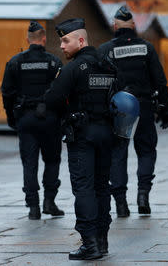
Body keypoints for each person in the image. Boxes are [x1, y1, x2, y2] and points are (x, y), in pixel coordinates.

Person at [45, 18, 115, 260]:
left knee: (84, 188)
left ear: (81, 40)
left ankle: (89, 244)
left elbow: (52, 100)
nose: (62, 46)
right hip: (107, 133)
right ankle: (103, 241)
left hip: (82, 135)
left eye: (65, 40)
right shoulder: (107, 65)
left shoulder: (73, 69)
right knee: (102, 187)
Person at [97, 6, 168, 218]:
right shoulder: (146, 48)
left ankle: (120, 203)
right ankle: (143, 195)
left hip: (118, 109)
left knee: (118, 154)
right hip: (144, 105)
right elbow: (160, 80)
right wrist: (165, 108)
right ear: (134, 26)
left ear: (114, 27)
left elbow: (101, 83)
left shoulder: (105, 50)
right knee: (146, 150)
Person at [1, 21, 64, 220]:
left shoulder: (15, 62)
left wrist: (12, 118)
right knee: (52, 160)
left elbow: (7, 93)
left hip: (26, 119)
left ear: (28, 40)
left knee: (29, 163)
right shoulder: (54, 62)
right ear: (44, 39)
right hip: (50, 119)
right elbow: (62, 92)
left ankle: (33, 207)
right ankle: (49, 202)